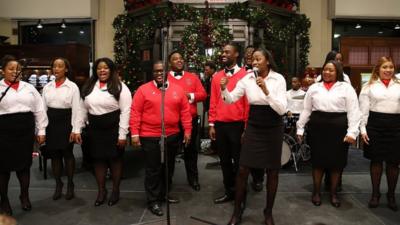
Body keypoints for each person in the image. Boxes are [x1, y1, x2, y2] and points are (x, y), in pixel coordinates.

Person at [222, 48, 287, 225]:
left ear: (268, 60)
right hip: (254, 125)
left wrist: (266, 90)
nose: (255, 62)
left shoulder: (278, 78)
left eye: (258, 59)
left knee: (272, 171)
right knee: (243, 169)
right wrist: (223, 89)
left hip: (273, 125)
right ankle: (237, 212)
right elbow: (230, 99)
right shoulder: (248, 78)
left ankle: (268, 213)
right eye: (253, 60)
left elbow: (281, 109)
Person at [130, 61, 192, 216]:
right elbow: (135, 112)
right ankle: (153, 200)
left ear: (167, 72)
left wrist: (188, 131)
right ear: (153, 73)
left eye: (162, 71)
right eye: (156, 71)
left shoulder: (178, 90)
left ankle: (163, 194)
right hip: (149, 136)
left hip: (172, 135)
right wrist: (135, 134)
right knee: (153, 169)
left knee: (168, 167)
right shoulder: (143, 90)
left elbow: (185, 112)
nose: (159, 74)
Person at [297, 60, 360, 208]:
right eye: (325, 70)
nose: (327, 72)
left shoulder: (346, 88)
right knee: (317, 163)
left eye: (331, 70)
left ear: (338, 72)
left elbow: (354, 111)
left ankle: (333, 193)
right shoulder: (314, 87)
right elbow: (306, 109)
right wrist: (300, 128)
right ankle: (317, 192)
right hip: (317, 128)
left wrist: (352, 132)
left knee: (336, 164)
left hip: (339, 129)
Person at [78, 57, 132, 207]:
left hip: (113, 127)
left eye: (106, 68)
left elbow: (126, 111)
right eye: (99, 68)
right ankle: (101, 191)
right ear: (95, 71)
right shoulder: (89, 86)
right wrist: (77, 128)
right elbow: (82, 109)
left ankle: (115, 191)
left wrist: (122, 135)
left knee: (115, 160)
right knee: (98, 160)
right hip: (94, 129)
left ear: (112, 70)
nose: (102, 70)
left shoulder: (120, 87)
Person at [0, 55, 48, 215]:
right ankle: (4, 200)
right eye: (11, 69)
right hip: (3, 132)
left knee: (24, 166)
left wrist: (41, 130)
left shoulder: (29, 88)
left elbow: (39, 109)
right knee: (3, 169)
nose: (15, 72)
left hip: (25, 132)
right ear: (2, 71)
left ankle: (24, 195)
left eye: (18, 69)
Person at [209, 43, 249, 206]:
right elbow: (213, 100)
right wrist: (211, 124)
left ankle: (241, 195)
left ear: (236, 54)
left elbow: (248, 104)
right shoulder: (217, 76)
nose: (223, 54)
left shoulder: (246, 75)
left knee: (240, 163)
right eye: (222, 52)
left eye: (227, 51)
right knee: (224, 161)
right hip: (220, 125)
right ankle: (229, 191)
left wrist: (246, 128)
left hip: (238, 125)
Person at [359, 56, 399, 211]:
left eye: (390, 67)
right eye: (384, 67)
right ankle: (375, 194)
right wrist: (362, 129)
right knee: (376, 161)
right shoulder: (368, 86)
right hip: (375, 126)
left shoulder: (399, 85)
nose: (388, 70)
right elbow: (363, 111)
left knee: (393, 163)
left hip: (396, 126)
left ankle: (391, 195)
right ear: (378, 69)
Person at [42, 58, 81, 200]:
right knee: (55, 156)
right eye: (54, 66)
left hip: (66, 122)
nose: (56, 69)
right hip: (51, 123)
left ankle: (70, 184)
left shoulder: (72, 87)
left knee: (68, 154)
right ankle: (59, 184)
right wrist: (42, 129)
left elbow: (77, 110)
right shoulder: (47, 87)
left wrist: (75, 129)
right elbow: (43, 109)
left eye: (60, 66)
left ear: (66, 69)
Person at [167, 50, 206, 191]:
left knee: (191, 151)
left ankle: (193, 179)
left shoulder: (193, 77)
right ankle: (167, 182)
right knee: (169, 153)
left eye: (181, 58)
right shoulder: (165, 78)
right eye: (175, 59)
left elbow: (203, 94)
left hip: (190, 119)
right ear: (169, 62)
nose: (179, 60)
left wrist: (189, 95)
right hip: (171, 122)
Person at [243, 45, 265, 192]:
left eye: (254, 55)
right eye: (248, 54)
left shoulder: (263, 74)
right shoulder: (241, 73)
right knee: (245, 152)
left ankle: (258, 179)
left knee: (259, 151)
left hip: (256, 115)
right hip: (240, 114)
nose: (250, 56)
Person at [202, 61, 217, 155]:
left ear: (212, 69)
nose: (205, 71)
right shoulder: (209, 78)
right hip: (209, 106)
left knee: (215, 128)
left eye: (207, 70)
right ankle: (213, 146)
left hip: (215, 107)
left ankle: (215, 148)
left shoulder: (217, 77)